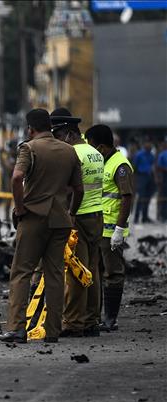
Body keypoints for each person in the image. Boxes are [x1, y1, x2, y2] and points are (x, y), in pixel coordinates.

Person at [0, 109, 83, 344]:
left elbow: (16, 178)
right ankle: (52, 330)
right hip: (60, 221)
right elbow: (79, 189)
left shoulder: (29, 148)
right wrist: (70, 213)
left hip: (34, 219)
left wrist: (20, 208)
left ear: (30, 129)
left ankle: (16, 329)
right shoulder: (68, 151)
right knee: (55, 275)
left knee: (21, 272)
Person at [50, 108, 104, 337]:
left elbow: (71, 190)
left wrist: (67, 214)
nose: (59, 142)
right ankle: (91, 321)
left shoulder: (74, 155)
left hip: (78, 217)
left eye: (59, 137)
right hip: (97, 216)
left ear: (70, 134)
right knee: (92, 270)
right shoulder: (95, 153)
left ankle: (73, 323)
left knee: (76, 271)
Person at [85, 124, 134, 332]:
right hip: (98, 229)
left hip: (111, 232)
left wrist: (119, 230)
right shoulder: (102, 163)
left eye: (93, 146)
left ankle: (110, 319)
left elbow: (127, 198)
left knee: (113, 273)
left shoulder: (120, 165)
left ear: (103, 147)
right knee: (96, 273)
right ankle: (96, 316)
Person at [132, 140, 155, 224]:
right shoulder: (139, 154)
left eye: (150, 144)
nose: (149, 145)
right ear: (144, 144)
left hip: (149, 176)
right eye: (148, 143)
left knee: (147, 197)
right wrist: (134, 179)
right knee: (140, 197)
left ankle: (145, 217)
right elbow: (134, 166)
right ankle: (136, 217)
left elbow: (152, 165)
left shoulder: (151, 155)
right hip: (141, 176)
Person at [157, 142, 167, 222]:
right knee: (163, 196)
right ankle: (162, 215)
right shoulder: (162, 154)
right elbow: (159, 166)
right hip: (164, 176)